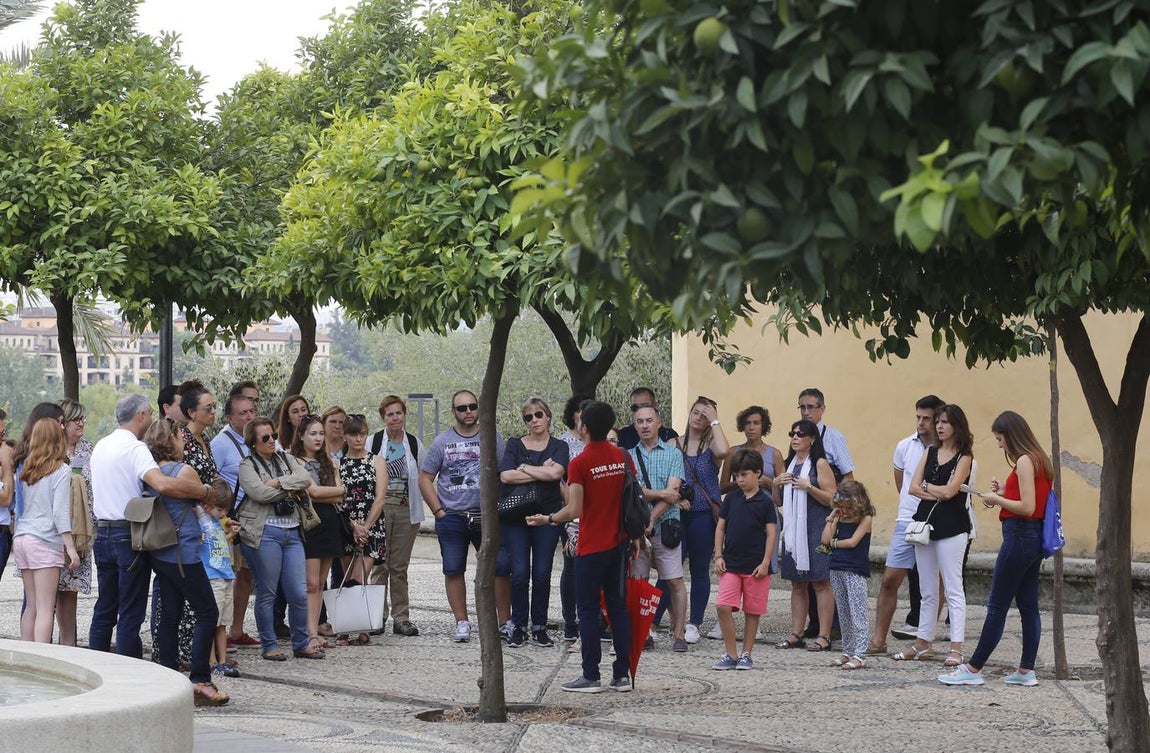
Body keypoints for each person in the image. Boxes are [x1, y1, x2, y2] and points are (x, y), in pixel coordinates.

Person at [89, 394, 213, 658]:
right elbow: (163, 484)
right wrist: (202, 490)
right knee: (130, 614)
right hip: (128, 533)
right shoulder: (135, 449)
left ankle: (96, 667)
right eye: (150, 416)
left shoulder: (101, 445)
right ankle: (132, 678)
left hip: (102, 534)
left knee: (104, 609)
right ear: (142, 415)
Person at [940, 411, 1053, 687]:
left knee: (997, 605)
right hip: (1033, 537)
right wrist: (1004, 491)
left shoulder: (1025, 461)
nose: (1000, 445)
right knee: (1028, 605)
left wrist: (995, 499)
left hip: (1019, 537)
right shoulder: (1039, 459)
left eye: (1000, 439)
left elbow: (1027, 507)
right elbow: (1033, 500)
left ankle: (973, 668)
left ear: (1011, 435)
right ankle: (1026, 670)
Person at [528, 400, 634, 693]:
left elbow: (574, 510)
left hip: (591, 547)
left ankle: (591, 675)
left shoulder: (581, 463)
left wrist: (548, 518)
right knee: (617, 608)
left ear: (583, 427)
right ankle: (622, 675)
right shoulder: (623, 457)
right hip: (619, 545)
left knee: (587, 611)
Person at [142, 418, 228, 706]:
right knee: (207, 611)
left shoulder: (151, 474)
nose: (183, 442)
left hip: (162, 552)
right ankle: (200, 678)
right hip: (185, 552)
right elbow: (206, 504)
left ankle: (167, 674)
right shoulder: (184, 471)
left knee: (170, 613)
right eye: (180, 437)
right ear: (173, 439)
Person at [420, 389, 503, 642]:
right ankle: (462, 622)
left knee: (499, 568)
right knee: (454, 569)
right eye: (462, 408)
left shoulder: (493, 438)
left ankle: (505, 622)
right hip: (453, 517)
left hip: (486, 515)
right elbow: (425, 478)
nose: (468, 412)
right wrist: (439, 511)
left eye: (472, 406)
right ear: (453, 412)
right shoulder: (442, 442)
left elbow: (505, 472)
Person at [893, 403, 973, 665]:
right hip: (925, 524)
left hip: (953, 526)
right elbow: (913, 487)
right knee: (927, 589)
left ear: (956, 426)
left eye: (945, 422)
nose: (939, 426)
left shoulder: (964, 457)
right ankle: (921, 644)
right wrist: (936, 489)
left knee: (953, 587)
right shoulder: (930, 452)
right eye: (937, 421)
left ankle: (956, 648)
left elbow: (952, 492)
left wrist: (933, 488)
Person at [235, 417, 320, 661]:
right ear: (253, 443)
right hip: (265, 533)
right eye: (265, 438)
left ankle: (301, 643)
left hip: (293, 531)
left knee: (298, 592)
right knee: (267, 591)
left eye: (273, 436)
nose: (272, 441)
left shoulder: (285, 458)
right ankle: (269, 644)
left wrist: (278, 482)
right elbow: (259, 494)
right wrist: (289, 487)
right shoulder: (247, 464)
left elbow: (305, 479)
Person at [871, 395, 945, 654]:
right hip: (907, 520)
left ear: (938, 419)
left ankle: (925, 640)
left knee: (933, 583)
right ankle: (878, 640)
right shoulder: (904, 446)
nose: (921, 423)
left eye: (927, 418)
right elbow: (903, 485)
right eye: (918, 417)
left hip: (937, 521)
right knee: (890, 579)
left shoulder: (948, 450)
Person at [498, 398, 569, 647]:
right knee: (519, 574)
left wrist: (526, 467)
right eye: (528, 417)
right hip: (515, 517)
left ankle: (539, 625)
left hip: (547, 518)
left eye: (539, 414)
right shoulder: (515, 444)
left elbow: (556, 474)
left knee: (542, 573)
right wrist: (540, 469)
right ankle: (518, 625)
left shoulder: (559, 446)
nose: (534, 420)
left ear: (548, 416)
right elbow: (506, 476)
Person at [666, 396, 729, 645]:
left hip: (703, 515)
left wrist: (715, 419)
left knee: (700, 570)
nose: (698, 417)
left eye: (704, 415)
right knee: (669, 569)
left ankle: (695, 622)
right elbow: (666, 476)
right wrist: (675, 499)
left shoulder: (712, 446)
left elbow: (725, 451)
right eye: (696, 411)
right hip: (675, 514)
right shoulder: (673, 443)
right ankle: (657, 619)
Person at [772, 419, 837, 651]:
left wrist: (809, 487)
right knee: (797, 583)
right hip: (793, 532)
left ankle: (824, 634)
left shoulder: (820, 464)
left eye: (801, 434)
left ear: (812, 439)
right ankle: (796, 632)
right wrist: (775, 484)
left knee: (820, 582)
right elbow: (778, 501)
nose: (795, 437)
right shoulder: (789, 464)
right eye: (792, 433)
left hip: (815, 528)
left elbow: (833, 499)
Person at [14, 418, 80, 643]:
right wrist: (71, 548)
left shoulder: (28, 471)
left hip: (23, 537)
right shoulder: (61, 470)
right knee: (45, 607)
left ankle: (27, 659)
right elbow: (60, 512)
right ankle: (43, 661)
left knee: (31, 605)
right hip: (44, 540)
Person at [628, 404, 688, 652]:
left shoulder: (674, 454)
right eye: (640, 421)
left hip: (666, 526)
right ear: (635, 426)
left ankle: (679, 634)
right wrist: (661, 492)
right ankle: (643, 633)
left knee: (674, 580)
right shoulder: (629, 456)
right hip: (637, 530)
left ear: (659, 422)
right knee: (639, 581)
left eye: (649, 420)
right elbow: (633, 490)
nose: (644, 425)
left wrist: (651, 518)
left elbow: (673, 493)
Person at [710, 448, 777, 671]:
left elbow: (771, 533)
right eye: (737, 475)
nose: (739, 479)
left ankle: (747, 653)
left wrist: (766, 561)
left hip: (756, 566)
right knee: (722, 606)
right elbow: (721, 528)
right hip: (731, 563)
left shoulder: (766, 502)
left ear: (758, 473)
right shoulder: (731, 499)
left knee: (752, 611)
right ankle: (731, 653)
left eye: (744, 474)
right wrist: (718, 554)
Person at [797, 388, 853, 640]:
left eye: (811, 407)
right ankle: (814, 621)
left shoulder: (834, 438)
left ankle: (834, 624)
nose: (806, 412)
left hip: (830, 508)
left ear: (822, 409)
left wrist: (844, 509)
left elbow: (848, 476)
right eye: (802, 407)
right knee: (807, 566)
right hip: (804, 510)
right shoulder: (799, 437)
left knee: (826, 569)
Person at [367, 396, 425, 637]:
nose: (394, 418)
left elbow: (424, 476)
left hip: (405, 510)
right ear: (383, 417)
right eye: (390, 414)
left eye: (398, 413)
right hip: (379, 509)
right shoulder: (374, 441)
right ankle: (376, 616)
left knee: (399, 567)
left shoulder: (414, 444)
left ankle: (401, 617)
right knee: (379, 565)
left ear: (404, 415)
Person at [292, 414, 346, 650]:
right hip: (309, 521)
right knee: (311, 582)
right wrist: (336, 490)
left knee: (321, 582)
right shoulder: (295, 461)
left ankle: (314, 629)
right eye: (313, 433)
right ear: (302, 436)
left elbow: (341, 493)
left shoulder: (330, 461)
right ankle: (308, 631)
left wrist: (336, 491)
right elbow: (312, 492)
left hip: (330, 521)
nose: (318, 438)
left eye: (320, 433)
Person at [211, 391, 259, 648]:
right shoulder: (221, 443)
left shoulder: (256, 438)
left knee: (246, 575)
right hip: (231, 518)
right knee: (230, 574)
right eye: (243, 413)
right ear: (230, 417)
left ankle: (237, 629)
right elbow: (213, 479)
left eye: (252, 411)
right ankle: (222, 631)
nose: (250, 416)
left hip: (254, 517)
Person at [338, 414, 387, 644]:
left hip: (372, 524)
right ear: (345, 436)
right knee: (348, 577)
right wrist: (353, 526)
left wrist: (365, 527)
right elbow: (337, 498)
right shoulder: (337, 462)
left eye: (362, 434)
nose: (358, 439)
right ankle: (349, 626)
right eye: (354, 434)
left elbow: (380, 498)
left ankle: (361, 625)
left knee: (360, 576)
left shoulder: (376, 461)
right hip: (346, 524)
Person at [820, 480, 875, 670]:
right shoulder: (839, 518)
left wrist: (834, 543)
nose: (844, 511)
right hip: (836, 568)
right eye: (840, 507)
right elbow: (825, 540)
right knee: (843, 613)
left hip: (855, 570)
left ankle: (860, 654)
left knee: (857, 612)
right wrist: (832, 518)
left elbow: (852, 542)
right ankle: (847, 651)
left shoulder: (865, 518)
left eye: (847, 507)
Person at [56, 398, 95, 646]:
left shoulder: (88, 449)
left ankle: (69, 644)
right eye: (76, 419)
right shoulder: (52, 451)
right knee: (47, 595)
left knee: (72, 591)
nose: (81, 423)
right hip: (56, 532)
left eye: (83, 418)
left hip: (82, 533)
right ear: (63, 423)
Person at [556, 394, 592, 642]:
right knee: (571, 564)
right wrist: (571, 501)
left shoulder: (600, 441)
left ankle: (593, 618)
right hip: (571, 510)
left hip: (597, 511)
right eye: (579, 416)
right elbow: (558, 477)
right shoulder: (563, 443)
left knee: (592, 565)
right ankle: (570, 620)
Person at [198, 478, 241, 679]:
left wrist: (230, 534)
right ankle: (211, 660)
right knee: (211, 621)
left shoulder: (218, 523)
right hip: (211, 575)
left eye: (226, 509)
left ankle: (222, 660)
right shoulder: (203, 522)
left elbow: (219, 543)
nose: (223, 513)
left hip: (226, 574)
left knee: (223, 622)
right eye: (219, 508)